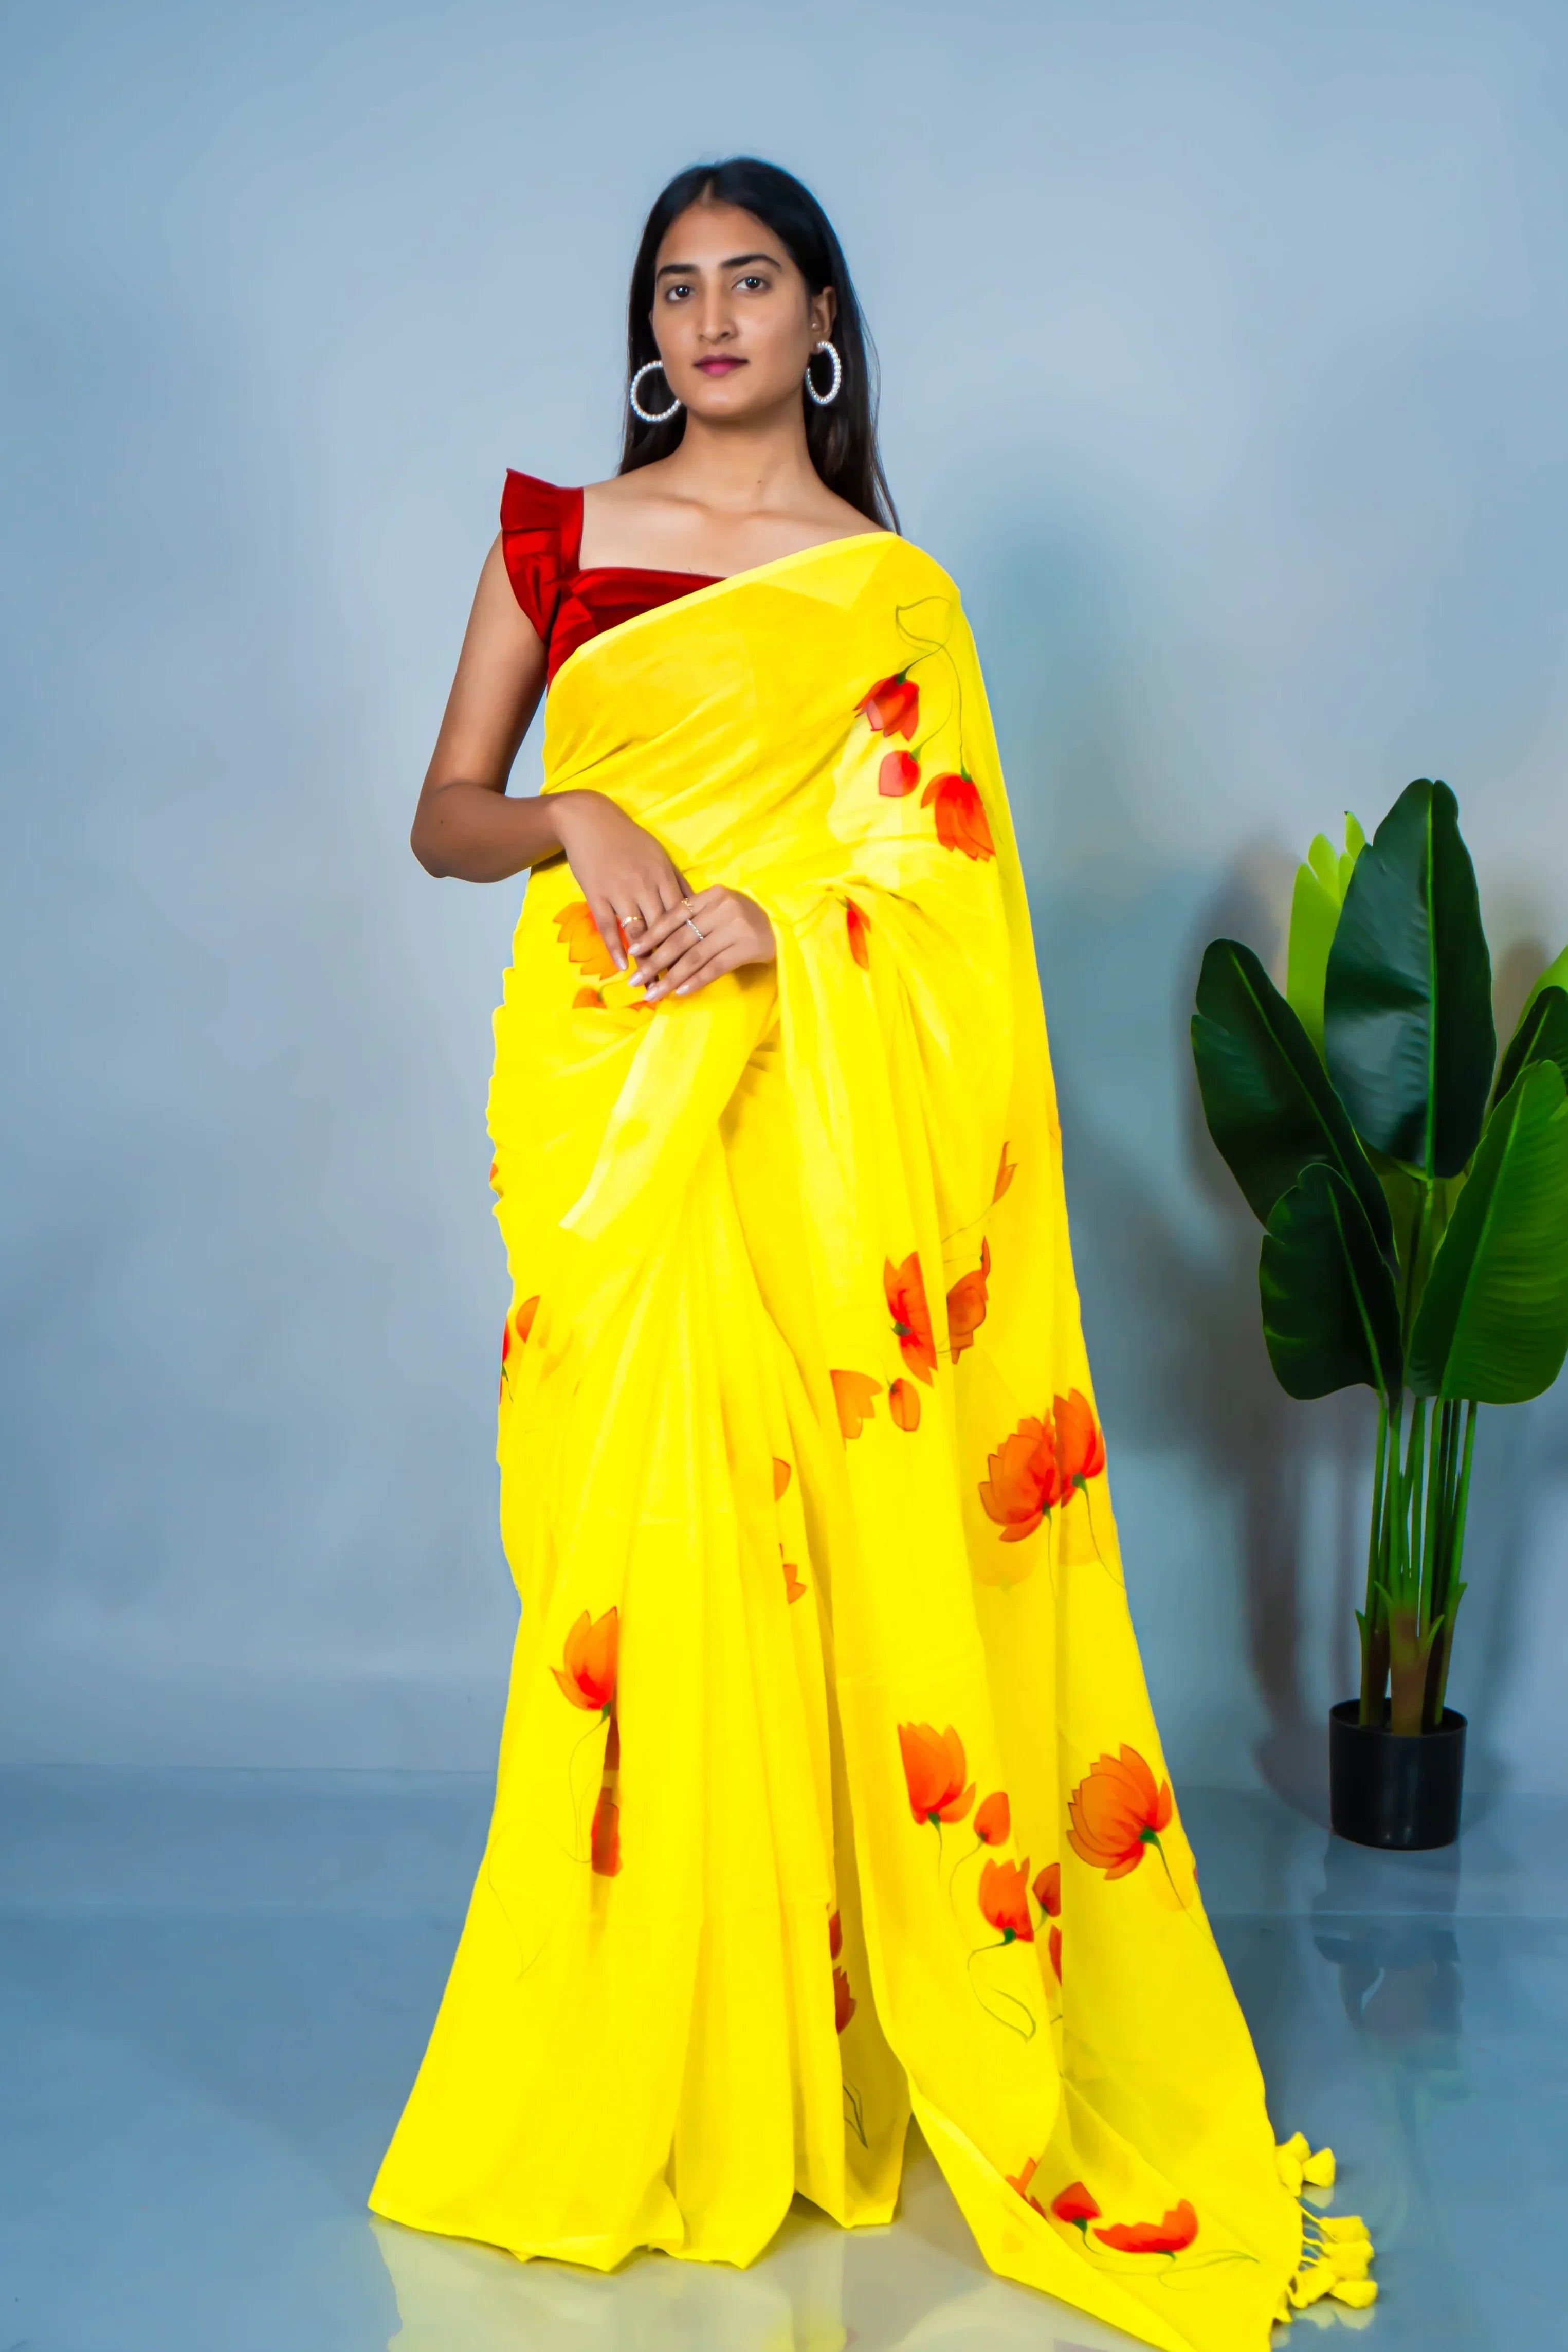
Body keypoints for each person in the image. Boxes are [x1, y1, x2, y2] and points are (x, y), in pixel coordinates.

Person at [367, 157, 1373, 2350]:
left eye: (753, 280)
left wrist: (783, 926)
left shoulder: (889, 596)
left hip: (805, 1137)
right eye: (677, 287)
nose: (713, 317)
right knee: (641, 1583)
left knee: (821, 1563)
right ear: (650, 333)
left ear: (820, 320)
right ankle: (653, 2061)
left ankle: (815, 2057)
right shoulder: (558, 538)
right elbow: (445, 813)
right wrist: (576, 814)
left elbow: (940, 896)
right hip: (615, 1122)